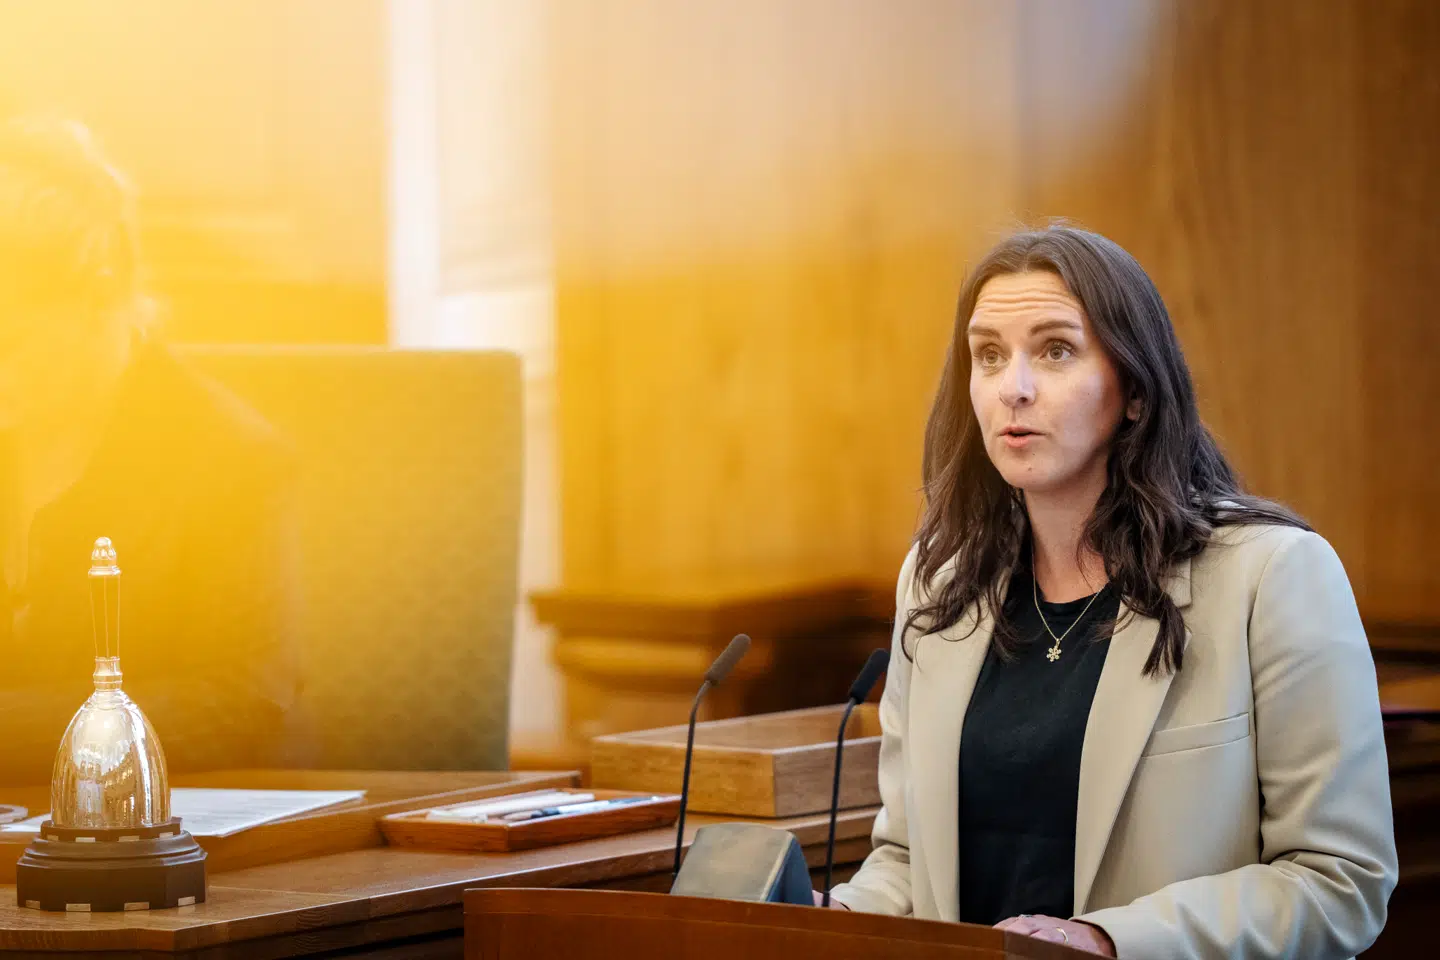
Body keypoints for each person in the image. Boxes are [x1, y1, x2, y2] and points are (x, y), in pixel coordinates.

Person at [824, 225, 1396, 958]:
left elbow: (1338, 879)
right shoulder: (940, 584)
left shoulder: (1272, 576)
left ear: (1133, 389)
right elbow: (908, 862)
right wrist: (833, 915)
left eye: (1055, 350)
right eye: (989, 355)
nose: (1014, 387)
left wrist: (1104, 940)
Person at [0, 115, 305, 785]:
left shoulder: (231, 458)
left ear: (103, 299)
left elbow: (247, 703)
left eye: (11, 343)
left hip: (158, 846)